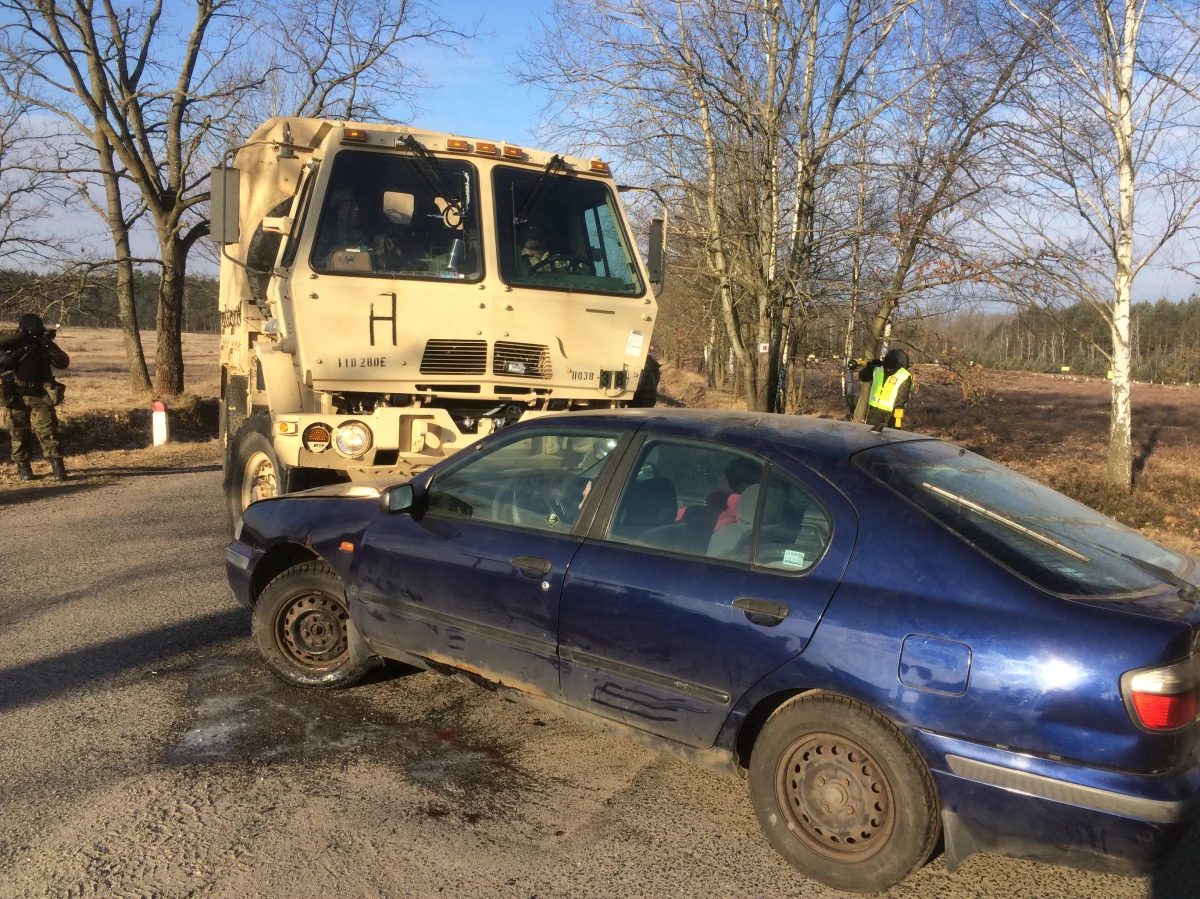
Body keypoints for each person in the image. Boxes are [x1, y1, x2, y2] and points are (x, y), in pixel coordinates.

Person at [0, 313, 70, 480]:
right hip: (15, 395)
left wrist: (48, 345)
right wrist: (23, 336)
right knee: (18, 433)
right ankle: (23, 467)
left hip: (40, 394)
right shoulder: (12, 342)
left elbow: (63, 363)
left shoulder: (43, 344)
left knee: (48, 431)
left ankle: (57, 466)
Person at [859, 348, 913, 431]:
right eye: (886, 368)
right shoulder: (878, 368)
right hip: (875, 409)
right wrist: (870, 367)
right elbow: (863, 377)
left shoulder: (904, 375)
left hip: (891, 412)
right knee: (871, 435)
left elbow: (902, 396)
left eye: (890, 369)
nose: (887, 370)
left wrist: (895, 415)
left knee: (889, 436)